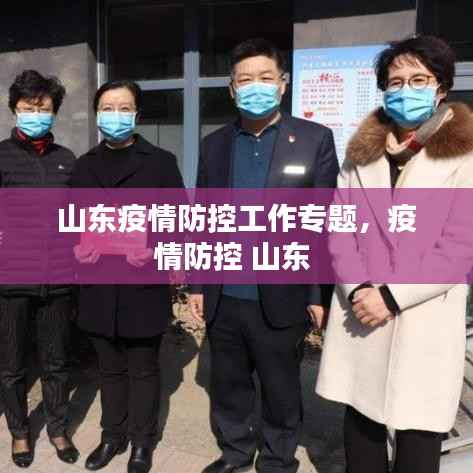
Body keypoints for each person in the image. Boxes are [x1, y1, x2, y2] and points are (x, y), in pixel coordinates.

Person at [316, 36, 473, 473]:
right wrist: (359, 289)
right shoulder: (361, 153)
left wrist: (391, 296)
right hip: (362, 311)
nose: (406, 90)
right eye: (396, 81)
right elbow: (341, 228)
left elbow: (460, 246)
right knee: (362, 427)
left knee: (419, 435)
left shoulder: (466, 155)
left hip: (423, 314)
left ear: (441, 88)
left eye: (419, 80)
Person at [188, 38, 339, 473]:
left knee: (281, 388)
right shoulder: (215, 144)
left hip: (283, 292)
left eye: (265, 77)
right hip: (224, 294)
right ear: (232, 88)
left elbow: (323, 224)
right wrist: (197, 283)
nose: (256, 86)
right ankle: (235, 454)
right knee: (228, 385)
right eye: (245, 79)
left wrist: (318, 293)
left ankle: (277, 460)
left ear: (283, 84)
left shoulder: (313, 139)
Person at [70, 80, 184, 473]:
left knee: (144, 368)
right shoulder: (84, 165)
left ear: (136, 114)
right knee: (109, 369)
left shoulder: (161, 162)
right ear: (97, 114)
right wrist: (76, 248)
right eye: (107, 107)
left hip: (142, 284)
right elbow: (71, 221)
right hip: (98, 285)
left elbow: (178, 221)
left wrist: (156, 250)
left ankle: (141, 441)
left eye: (123, 107)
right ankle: (111, 436)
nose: (114, 115)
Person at [0, 70, 79, 468]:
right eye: (28, 107)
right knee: (11, 366)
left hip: (59, 279)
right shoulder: (1, 156)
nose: (35, 113)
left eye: (43, 107)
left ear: (54, 111)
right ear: (15, 109)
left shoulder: (67, 159)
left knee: (56, 362)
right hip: (11, 281)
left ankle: (58, 427)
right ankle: (19, 431)